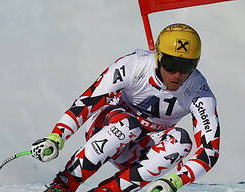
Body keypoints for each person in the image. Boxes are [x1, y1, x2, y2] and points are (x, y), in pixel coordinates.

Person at [31, 23, 220, 192]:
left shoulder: (199, 91)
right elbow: (87, 102)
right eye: (170, 64)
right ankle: (64, 184)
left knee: (181, 141)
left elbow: (210, 151)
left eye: (187, 67)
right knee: (127, 125)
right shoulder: (133, 65)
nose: (177, 75)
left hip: (142, 146)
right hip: (107, 128)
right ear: (158, 57)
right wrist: (56, 137)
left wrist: (174, 182)